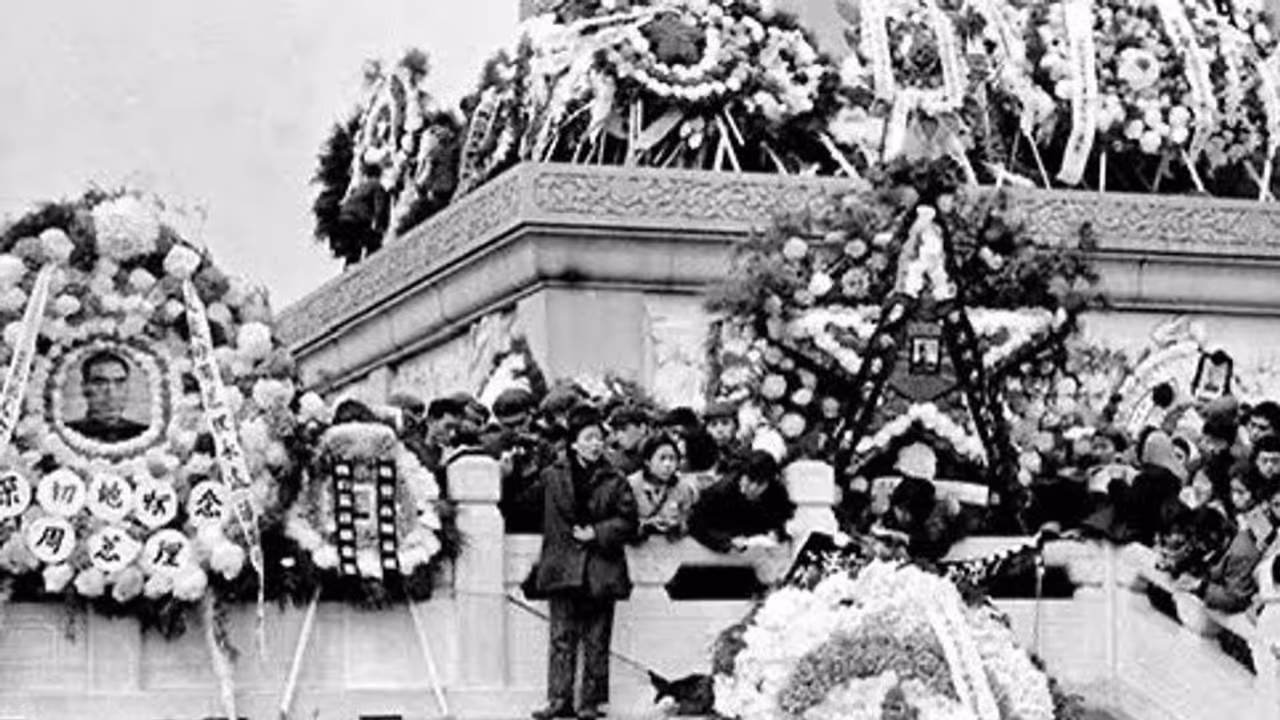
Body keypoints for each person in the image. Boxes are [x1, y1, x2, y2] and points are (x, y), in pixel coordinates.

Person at [532, 406, 638, 720]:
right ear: (573, 442)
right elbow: (526, 507)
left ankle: (590, 702)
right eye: (589, 438)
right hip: (562, 565)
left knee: (597, 639)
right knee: (561, 637)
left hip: (600, 567)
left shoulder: (615, 479)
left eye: (599, 438)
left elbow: (629, 521)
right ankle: (558, 699)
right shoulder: (551, 476)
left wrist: (598, 532)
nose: (595, 444)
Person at [688, 450, 794, 553]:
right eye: (750, 480)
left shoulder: (776, 492)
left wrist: (777, 532)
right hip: (726, 545)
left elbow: (786, 517)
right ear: (742, 475)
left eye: (760, 484)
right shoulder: (720, 491)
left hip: (757, 545)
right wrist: (728, 540)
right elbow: (694, 524)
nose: (753, 488)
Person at [628, 434, 699, 542]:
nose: (668, 464)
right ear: (647, 461)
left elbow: (689, 519)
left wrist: (679, 524)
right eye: (662, 458)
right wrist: (645, 524)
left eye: (672, 459)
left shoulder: (683, 486)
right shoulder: (631, 485)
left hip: (672, 545)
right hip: (640, 545)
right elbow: (623, 522)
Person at [67, 351, 148, 443]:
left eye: (119, 382)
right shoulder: (67, 434)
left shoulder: (144, 434)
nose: (112, 394)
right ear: (84, 388)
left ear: (127, 387)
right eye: (100, 383)